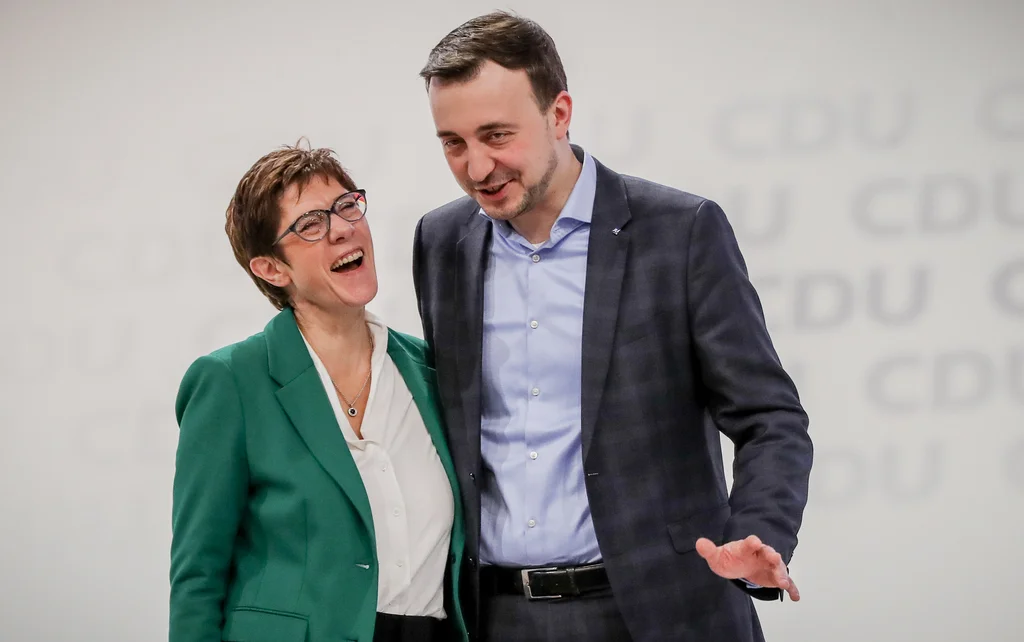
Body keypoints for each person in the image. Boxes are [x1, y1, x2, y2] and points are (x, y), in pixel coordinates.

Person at [411, 12, 813, 642]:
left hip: (664, 612)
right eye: (453, 143)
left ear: (559, 113)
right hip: (497, 615)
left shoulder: (680, 232)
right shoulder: (440, 241)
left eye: (496, 135)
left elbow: (769, 418)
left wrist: (757, 531)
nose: (477, 167)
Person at [170, 142, 469, 642]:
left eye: (347, 206)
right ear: (272, 269)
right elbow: (198, 576)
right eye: (310, 224)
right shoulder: (230, 381)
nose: (342, 228)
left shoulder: (430, 370)